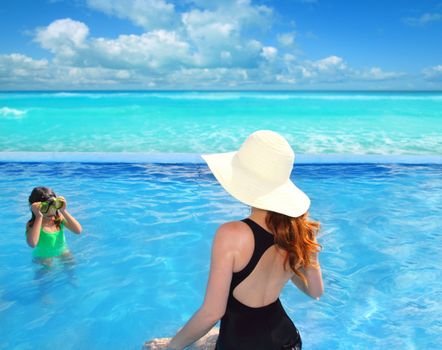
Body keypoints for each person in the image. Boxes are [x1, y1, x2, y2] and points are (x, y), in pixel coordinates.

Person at [145, 130, 324, 350]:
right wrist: (292, 261)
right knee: (209, 338)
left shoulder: (232, 234)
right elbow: (315, 292)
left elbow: (212, 312)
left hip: (240, 344)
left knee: (154, 346)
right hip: (288, 340)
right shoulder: (298, 232)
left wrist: (171, 347)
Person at [26, 186, 82, 265]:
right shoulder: (32, 224)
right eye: (44, 207)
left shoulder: (59, 218)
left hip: (62, 251)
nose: (51, 212)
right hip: (44, 256)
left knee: (71, 265)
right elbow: (32, 244)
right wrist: (39, 217)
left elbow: (78, 231)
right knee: (46, 271)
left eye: (54, 206)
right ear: (36, 208)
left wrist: (63, 211)